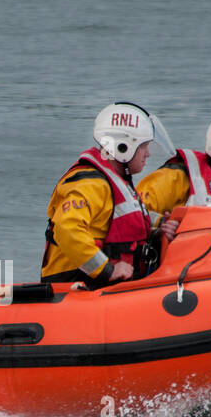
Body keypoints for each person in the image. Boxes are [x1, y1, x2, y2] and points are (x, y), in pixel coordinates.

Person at [41, 102, 177, 287]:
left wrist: (159, 228)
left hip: (101, 287)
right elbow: (67, 228)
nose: (148, 154)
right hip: (76, 286)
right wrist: (107, 270)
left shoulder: (116, 182)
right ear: (124, 147)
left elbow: (124, 220)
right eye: (144, 146)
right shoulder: (90, 184)